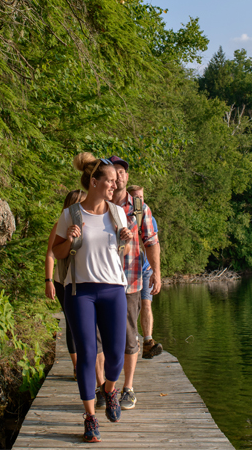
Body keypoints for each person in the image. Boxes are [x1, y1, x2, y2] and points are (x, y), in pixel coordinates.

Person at [52, 153, 132, 443]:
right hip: (79, 291)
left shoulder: (117, 213)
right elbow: (57, 253)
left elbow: (118, 251)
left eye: (116, 181)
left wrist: (126, 239)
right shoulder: (70, 214)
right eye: (110, 181)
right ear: (94, 182)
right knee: (86, 354)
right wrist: (70, 240)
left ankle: (109, 390)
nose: (115, 185)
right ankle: (89, 417)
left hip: (113, 289)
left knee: (115, 353)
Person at [105, 156, 161, 411]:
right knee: (101, 337)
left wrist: (157, 273)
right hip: (101, 280)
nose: (119, 176)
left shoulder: (139, 208)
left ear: (127, 177)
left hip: (131, 281)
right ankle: (106, 386)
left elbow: (151, 242)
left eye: (122, 172)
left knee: (129, 336)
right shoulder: (99, 205)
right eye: (114, 172)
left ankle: (128, 388)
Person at [44, 190, 105, 387]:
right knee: (71, 324)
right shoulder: (60, 226)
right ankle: (77, 365)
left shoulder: (92, 223)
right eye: (79, 204)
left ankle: (94, 368)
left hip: (86, 280)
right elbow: (51, 254)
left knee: (92, 326)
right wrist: (48, 281)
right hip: (64, 281)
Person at [127, 185, 163, 359]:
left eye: (141, 197)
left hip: (146, 269)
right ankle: (132, 341)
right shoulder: (123, 214)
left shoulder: (148, 217)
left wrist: (156, 271)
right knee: (133, 307)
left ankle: (148, 342)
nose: (139, 201)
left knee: (146, 304)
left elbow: (154, 244)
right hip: (129, 270)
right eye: (135, 198)